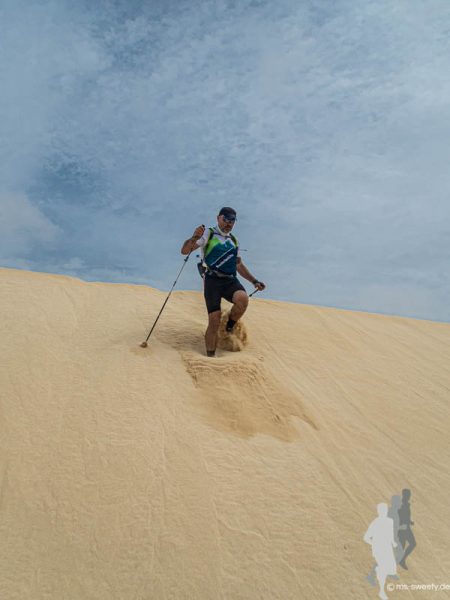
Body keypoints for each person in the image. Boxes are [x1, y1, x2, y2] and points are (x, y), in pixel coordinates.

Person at [181, 207, 265, 357]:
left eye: (232, 220)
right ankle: (210, 357)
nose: (228, 223)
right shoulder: (208, 233)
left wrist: (254, 281)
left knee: (243, 299)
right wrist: (194, 237)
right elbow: (185, 251)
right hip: (212, 281)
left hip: (229, 280)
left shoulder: (234, 240)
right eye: (225, 219)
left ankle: (229, 327)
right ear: (218, 218)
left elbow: (238, 264)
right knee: (214, 320)